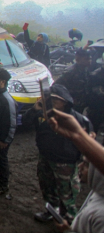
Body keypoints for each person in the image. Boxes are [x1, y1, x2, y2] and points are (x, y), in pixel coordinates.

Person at [23, 84, 92, 223]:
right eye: (51, 98)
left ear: (65, 101)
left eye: (57, 99)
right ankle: (51, 212)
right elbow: (25, 122)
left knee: (67, 193)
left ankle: (70, 219)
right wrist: (34, 109)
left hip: (65, 163)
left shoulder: (77, 119)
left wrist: (83, 162)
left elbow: (87, 143)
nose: (53, 101)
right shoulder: (44, 113)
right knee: (47, 186)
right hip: (45, 158)